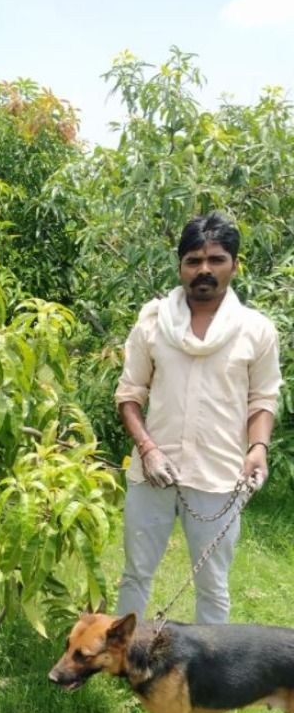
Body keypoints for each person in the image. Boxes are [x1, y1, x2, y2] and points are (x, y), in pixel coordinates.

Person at [115, 212, 282, 624]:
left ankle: (211, 683)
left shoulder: (255, 330)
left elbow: (263, 398)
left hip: (219, 477)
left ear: (234, 265)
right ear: (180, 267)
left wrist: (258, 448)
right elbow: (128, 395)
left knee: (213, 584)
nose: (204, 269)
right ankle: (125, 664)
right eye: (193, 260)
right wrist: (148, 449)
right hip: (152, 473)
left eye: (216, 259)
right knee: (136, 574)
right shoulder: (153, 323)